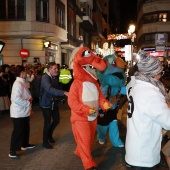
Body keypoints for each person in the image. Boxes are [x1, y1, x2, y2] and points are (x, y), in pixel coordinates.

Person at [125, 50, 170, 169]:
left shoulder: (137, 87)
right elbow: (168, 122)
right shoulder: (150, 94)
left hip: (136, 149)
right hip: (144, 155)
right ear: (153, 74)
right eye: (161, 72)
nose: (161, 75)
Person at [39, 62, 69, 149]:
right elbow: (49, 89)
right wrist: (64, 92)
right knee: (47, 123)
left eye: (57, 68)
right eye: (55, 69)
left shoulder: (54, 77)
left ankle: (49, 135)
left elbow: (56, 89)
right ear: (49, 69)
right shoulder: (45, 77)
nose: (57, 70)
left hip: (53, 102)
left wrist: (62, 96)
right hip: (46, 103)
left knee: (56, 120)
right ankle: (45, 141)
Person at [9, 65, 35, 159]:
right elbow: (15, 98)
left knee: (25, 129)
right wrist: (27, 103)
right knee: (18, 131)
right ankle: (12, 150)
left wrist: (28, 106)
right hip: (18, 112)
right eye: (25, 72)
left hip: (23, 111)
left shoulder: (21, 82)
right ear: (22, 73)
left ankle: (24, 144)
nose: (26, 74)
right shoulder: (18, 84)